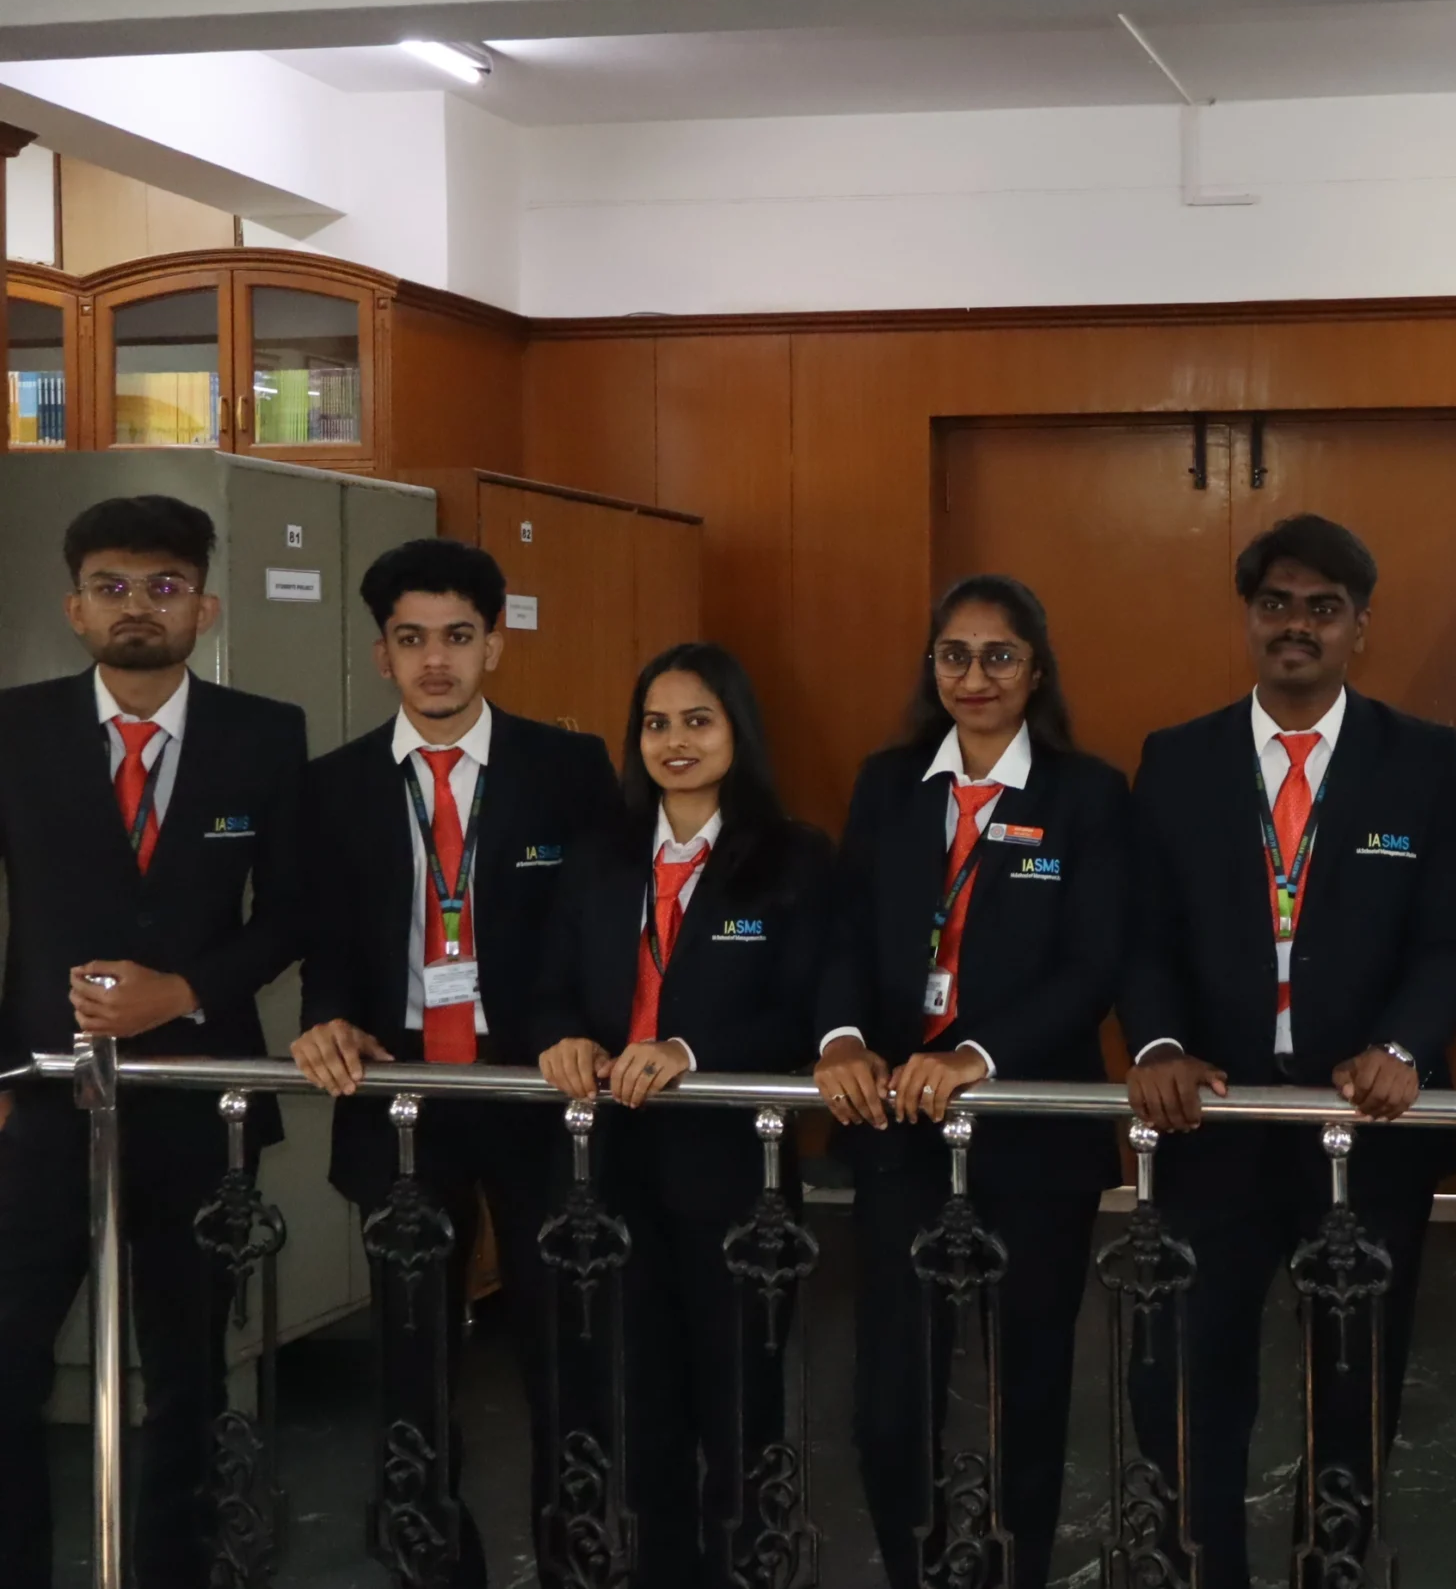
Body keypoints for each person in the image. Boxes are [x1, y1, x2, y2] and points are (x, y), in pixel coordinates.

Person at [1122, 513, 1456, 1589]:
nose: (1296, 624)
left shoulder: (1421, 759)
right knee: (1192, 1387)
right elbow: (1141, 932)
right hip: (1213, 1126)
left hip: (1365, 1133)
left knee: (1353, 1391)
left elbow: (1449, 935)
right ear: (1249, 618)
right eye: (1275, 603)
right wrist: (1159, 1041)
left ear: (1358, 627)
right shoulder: (1178, 760)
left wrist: (1405, 1043)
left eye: (1322, 607)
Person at [292, 537, 620, 1589]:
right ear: (382, 654)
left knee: (565, 1353)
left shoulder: (568, 770)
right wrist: (326, 1017)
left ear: (494, 646)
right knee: (412, 1363)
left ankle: (579, 1562)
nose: (436, 661)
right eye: (412, 639)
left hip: (538, 1091)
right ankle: (432, 1568)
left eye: (458, 636)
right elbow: (326, 937)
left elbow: (607, 922)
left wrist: (583, 1027)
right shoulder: (335, 784)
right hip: (401, 1099)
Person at [0, 495, 306, 1586]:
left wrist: (181, 989)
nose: (140, 606)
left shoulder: (264, 734)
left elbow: (293, 910)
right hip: (39, 1104)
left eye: (166, 587)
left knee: (188, 1372)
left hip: (199, 1102)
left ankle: (171, 1569)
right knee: (8, 1358)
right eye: (115, 587)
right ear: (76, 607)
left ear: (204, 608)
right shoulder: (15, 727)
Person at [814, 575, 1127, 1589]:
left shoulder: (1086, 794)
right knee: (889, 1396)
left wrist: (975, 1057)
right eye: (954, 654)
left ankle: (1016, 1567)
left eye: (999, 655)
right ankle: (916, 1568)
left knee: (1026, 1386)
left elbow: (1093, 964)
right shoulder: (888, 784)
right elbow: (843, 932)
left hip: (1035, 1135)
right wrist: (843, 1038)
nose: (975, 675)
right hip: (898, 1130)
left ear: (1036, 670)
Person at [532, 642, 832, 1589]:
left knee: (740, 1402)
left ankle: (748, 1570)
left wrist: (691, 1051)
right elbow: (548, 987)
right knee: (640, 1403)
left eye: (698, 719)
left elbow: (803, 1010)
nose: (675, 741)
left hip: (734, 1174)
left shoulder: (792, 856)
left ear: (738, 729)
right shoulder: (601, 856)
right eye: (656, 723)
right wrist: (562, 1038)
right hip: (611, 1171)